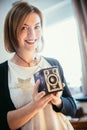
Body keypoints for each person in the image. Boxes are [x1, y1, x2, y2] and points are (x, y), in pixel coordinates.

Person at [0, 1, 77, 130]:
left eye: (36, 26)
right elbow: (3, 124)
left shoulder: (53, 64)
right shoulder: (2, 72)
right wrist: (35, 105)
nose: (32, 34)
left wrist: (57, 101)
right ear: (12, 31)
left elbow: (72, 109)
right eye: (24, 27)